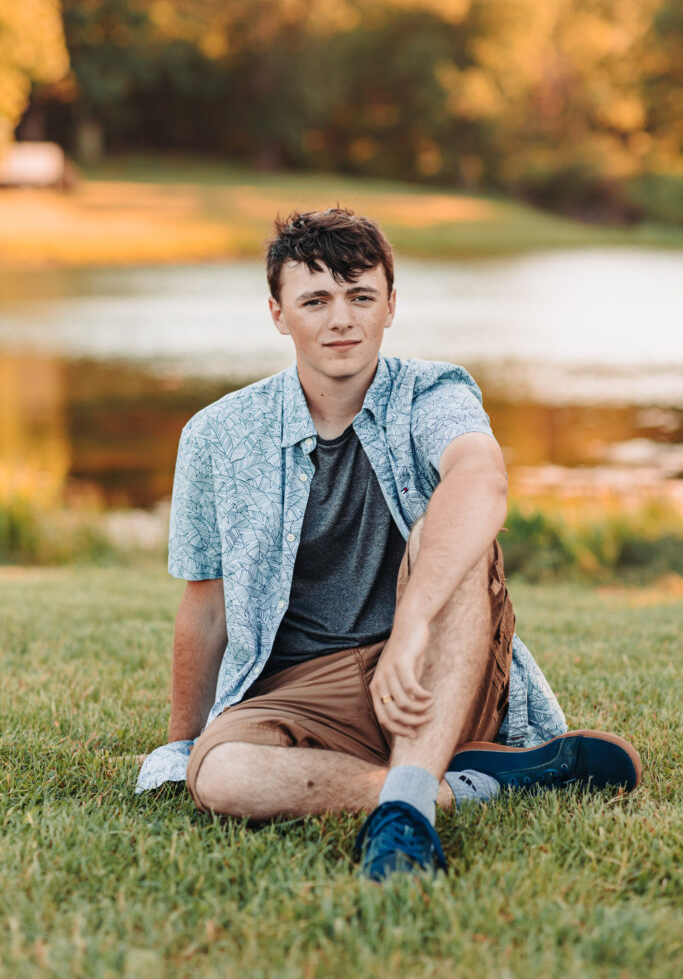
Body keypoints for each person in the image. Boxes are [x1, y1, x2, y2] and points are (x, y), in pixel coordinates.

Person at [136, 208, 641, 881]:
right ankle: (459, 786)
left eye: (360, 296)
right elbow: (206, 604)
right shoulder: (217, 436)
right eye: (315, 299)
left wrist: (410, 627)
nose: (340, 319)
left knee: (451, 526)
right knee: (222, 777)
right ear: (278, 313)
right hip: (299, 694)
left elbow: (480, 478)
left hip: (436, 663)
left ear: (390, 306)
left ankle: (402, 826)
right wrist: (180, 744)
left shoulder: (433, 391)